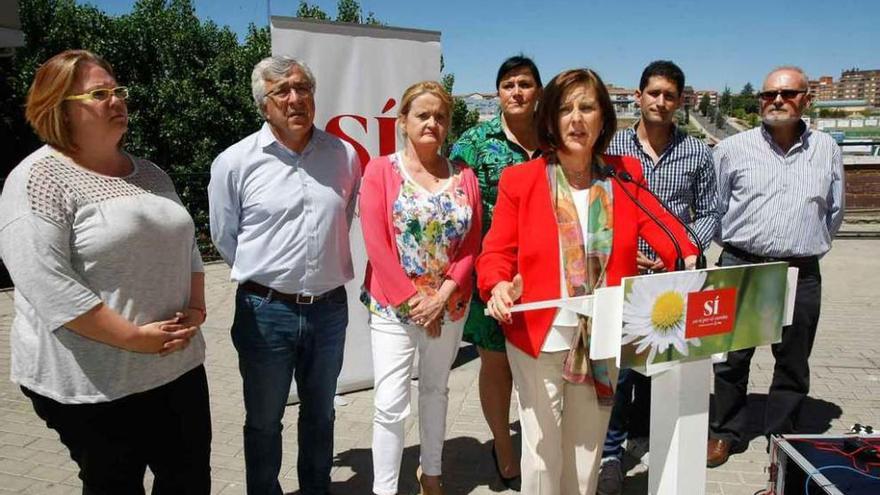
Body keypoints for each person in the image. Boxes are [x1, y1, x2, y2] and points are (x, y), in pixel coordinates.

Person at [479, 68, 697, 495]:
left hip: (603, 339)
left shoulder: (624, 173)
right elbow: (496, 253)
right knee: (542, 456)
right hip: (538, 336)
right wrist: (497, 286)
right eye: (565, 108)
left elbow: (668, 232)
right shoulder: (521, 180)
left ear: (603, 118)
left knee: (586, 456)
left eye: (587, 107)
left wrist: (687, 254)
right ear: (551, 120)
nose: (576, 119)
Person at [0, 49, 210, 494]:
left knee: (189, 481)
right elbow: (45, 282)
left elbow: (186, 241)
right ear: (58, 108)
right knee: (114, 485)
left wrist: (197, 305)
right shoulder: (38, 180)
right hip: (95, 381)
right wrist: (133, 338)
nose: (116, 100)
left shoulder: (150, 173)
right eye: (99, 93)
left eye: (118, 91)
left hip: (178, 365)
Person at [208, 55, 361, 495]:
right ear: (264, 105)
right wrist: (272, 277)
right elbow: (225, 236)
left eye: (302, 88)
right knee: (263, 420)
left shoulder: (343, 154)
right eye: (282, 91)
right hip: (265, 311)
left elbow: (344, 215)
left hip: (329, 309)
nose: (295, 98)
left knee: (321, 414)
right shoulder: (234, 163)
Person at [707, 66, 844, 467]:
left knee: (793, 358)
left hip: (800, 270)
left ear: (806, 99)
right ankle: (725, 433)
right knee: (731, 359)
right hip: (742, 265)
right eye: (768, 95)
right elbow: (715, 210)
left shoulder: (826, 149)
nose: (777, 101)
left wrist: (801, 244)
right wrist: (741, 248)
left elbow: (834, 212)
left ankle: (782, 435)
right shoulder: (733, 149)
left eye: (787, 93)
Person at [597, 60, 717, 494]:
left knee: (663, 368)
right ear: (639, 95)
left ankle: (652, 441)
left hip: (674, 279)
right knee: (621, 371)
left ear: (680, 101)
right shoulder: (612, 149)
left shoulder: (698, 153)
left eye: (669, 95)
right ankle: (610, 454)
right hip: (624, 276)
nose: (660, 102)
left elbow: (709, 215)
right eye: (654, 93)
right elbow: (602, 210)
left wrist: (677, 253)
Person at [359, 80, 482, 495]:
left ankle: (432, 475)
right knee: (391, 403)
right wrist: (416, 303)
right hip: (395, 309)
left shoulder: (464, 176)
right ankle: (385, 488)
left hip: (449, 307)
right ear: (403, 121)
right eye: (423, 115)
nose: (432, 122)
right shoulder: (380, 171)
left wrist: (442, 297)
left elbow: (471, 244)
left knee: (436, 391)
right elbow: (376, 243)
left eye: (440, 116)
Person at [448, 54, 543, 490]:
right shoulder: (473, 142)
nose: (517, 92)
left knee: (542, 365)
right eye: (508, 85)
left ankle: (541, 446)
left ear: (537, 90)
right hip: (492, 274)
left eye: (525, 84)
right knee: (496, 363)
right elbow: (452, 202)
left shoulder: (556, 137)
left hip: (548, 272)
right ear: (499, 93)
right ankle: (504, 447)